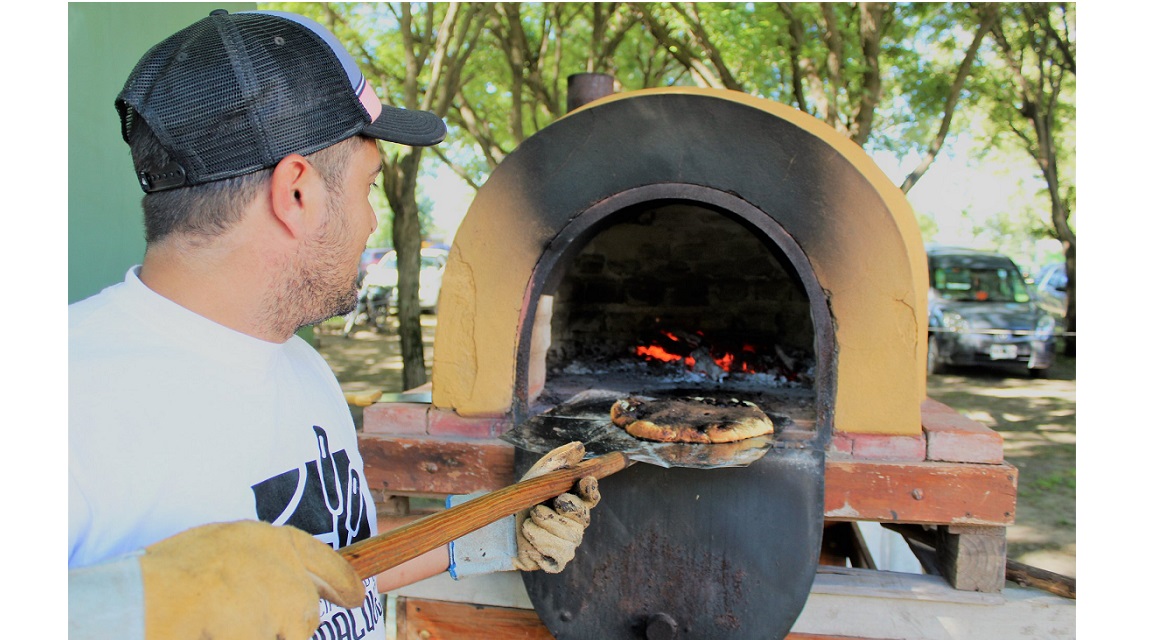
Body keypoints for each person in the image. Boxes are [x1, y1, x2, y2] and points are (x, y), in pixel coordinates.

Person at [68, 9, 600, 640]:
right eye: (367, 186)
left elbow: (339, 568)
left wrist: (490, 530)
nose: (374, 221)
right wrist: (129, 609)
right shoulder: (60, 399)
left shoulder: (299, 363)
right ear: (296, 192)